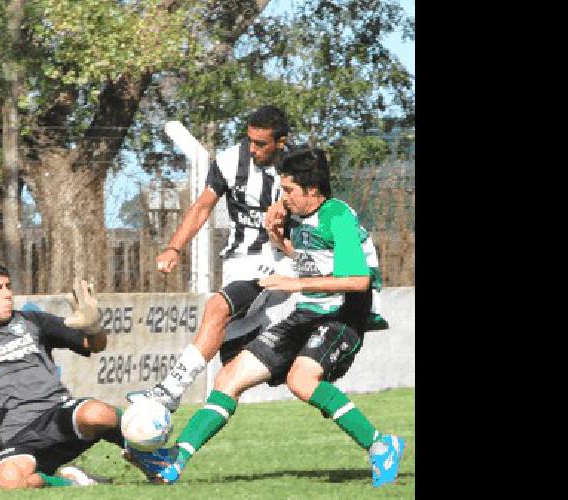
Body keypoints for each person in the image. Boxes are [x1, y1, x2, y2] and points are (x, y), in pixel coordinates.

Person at [126, 147, 405, 488]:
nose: (283, 197)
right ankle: (174, 459)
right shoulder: (299, 215)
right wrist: (281, 242)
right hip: (308, 313)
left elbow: (358, 280)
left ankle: (380, 444)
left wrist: (294, 281)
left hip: (343, 315)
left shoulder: (337, 216)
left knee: (301, 381)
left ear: (312, 190)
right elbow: (316, 258)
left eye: (289, 190)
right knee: (229, 378)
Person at [129, 105, 294, 411]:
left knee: (216, 307)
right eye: (250, 141)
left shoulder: (299, 168)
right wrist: (174, 247)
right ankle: (265, 340)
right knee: (229, 375)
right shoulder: (231, 160)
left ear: (281, 142)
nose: (253, 149)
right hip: (238, 262)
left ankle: (170, 389)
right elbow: (203, 206)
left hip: (279, 263)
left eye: (261, 144)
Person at [0, 262, 149, 489]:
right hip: (15, 436)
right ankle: (74, 482)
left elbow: (95, 345)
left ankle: (153, 456)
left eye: (8, 286)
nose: (7, 294)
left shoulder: (33, 321)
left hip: (56, 415)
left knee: (98, 413)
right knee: (9, 481)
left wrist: (94, 329)